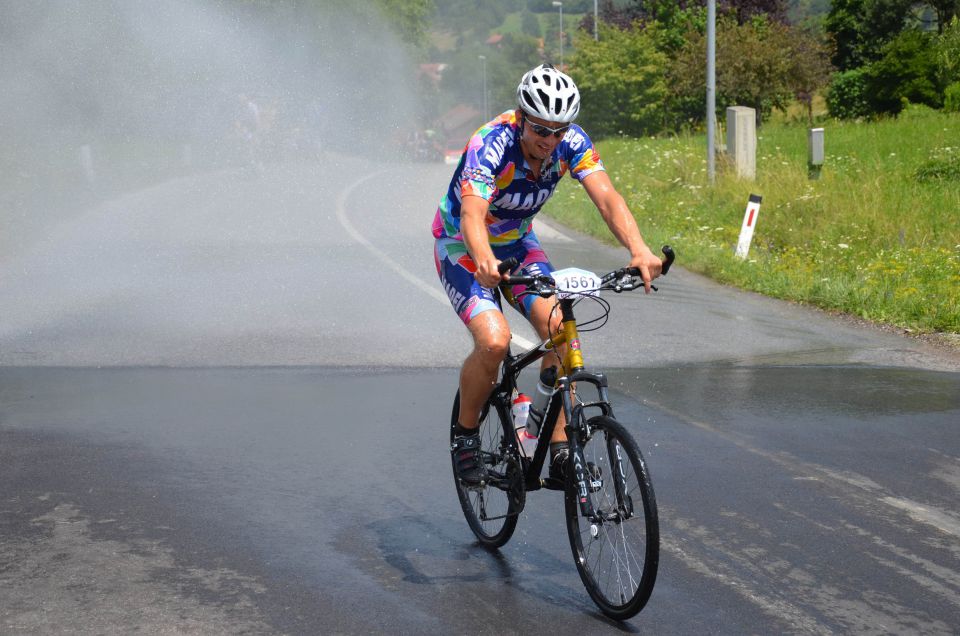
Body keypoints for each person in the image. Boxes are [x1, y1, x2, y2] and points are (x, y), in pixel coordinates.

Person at [433, 64, 663, 486]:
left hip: (518, 243)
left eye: (559, 130)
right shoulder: (491, 143)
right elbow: (471, 213)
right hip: (463, 246)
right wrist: (483, 259)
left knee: (561, 330)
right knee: (494, 340)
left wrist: (639, 249)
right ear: (522, 118)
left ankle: (558, 449)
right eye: (540, 129)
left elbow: (607, 197)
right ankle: (465, 438)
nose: (550, 140)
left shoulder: (570, 143)